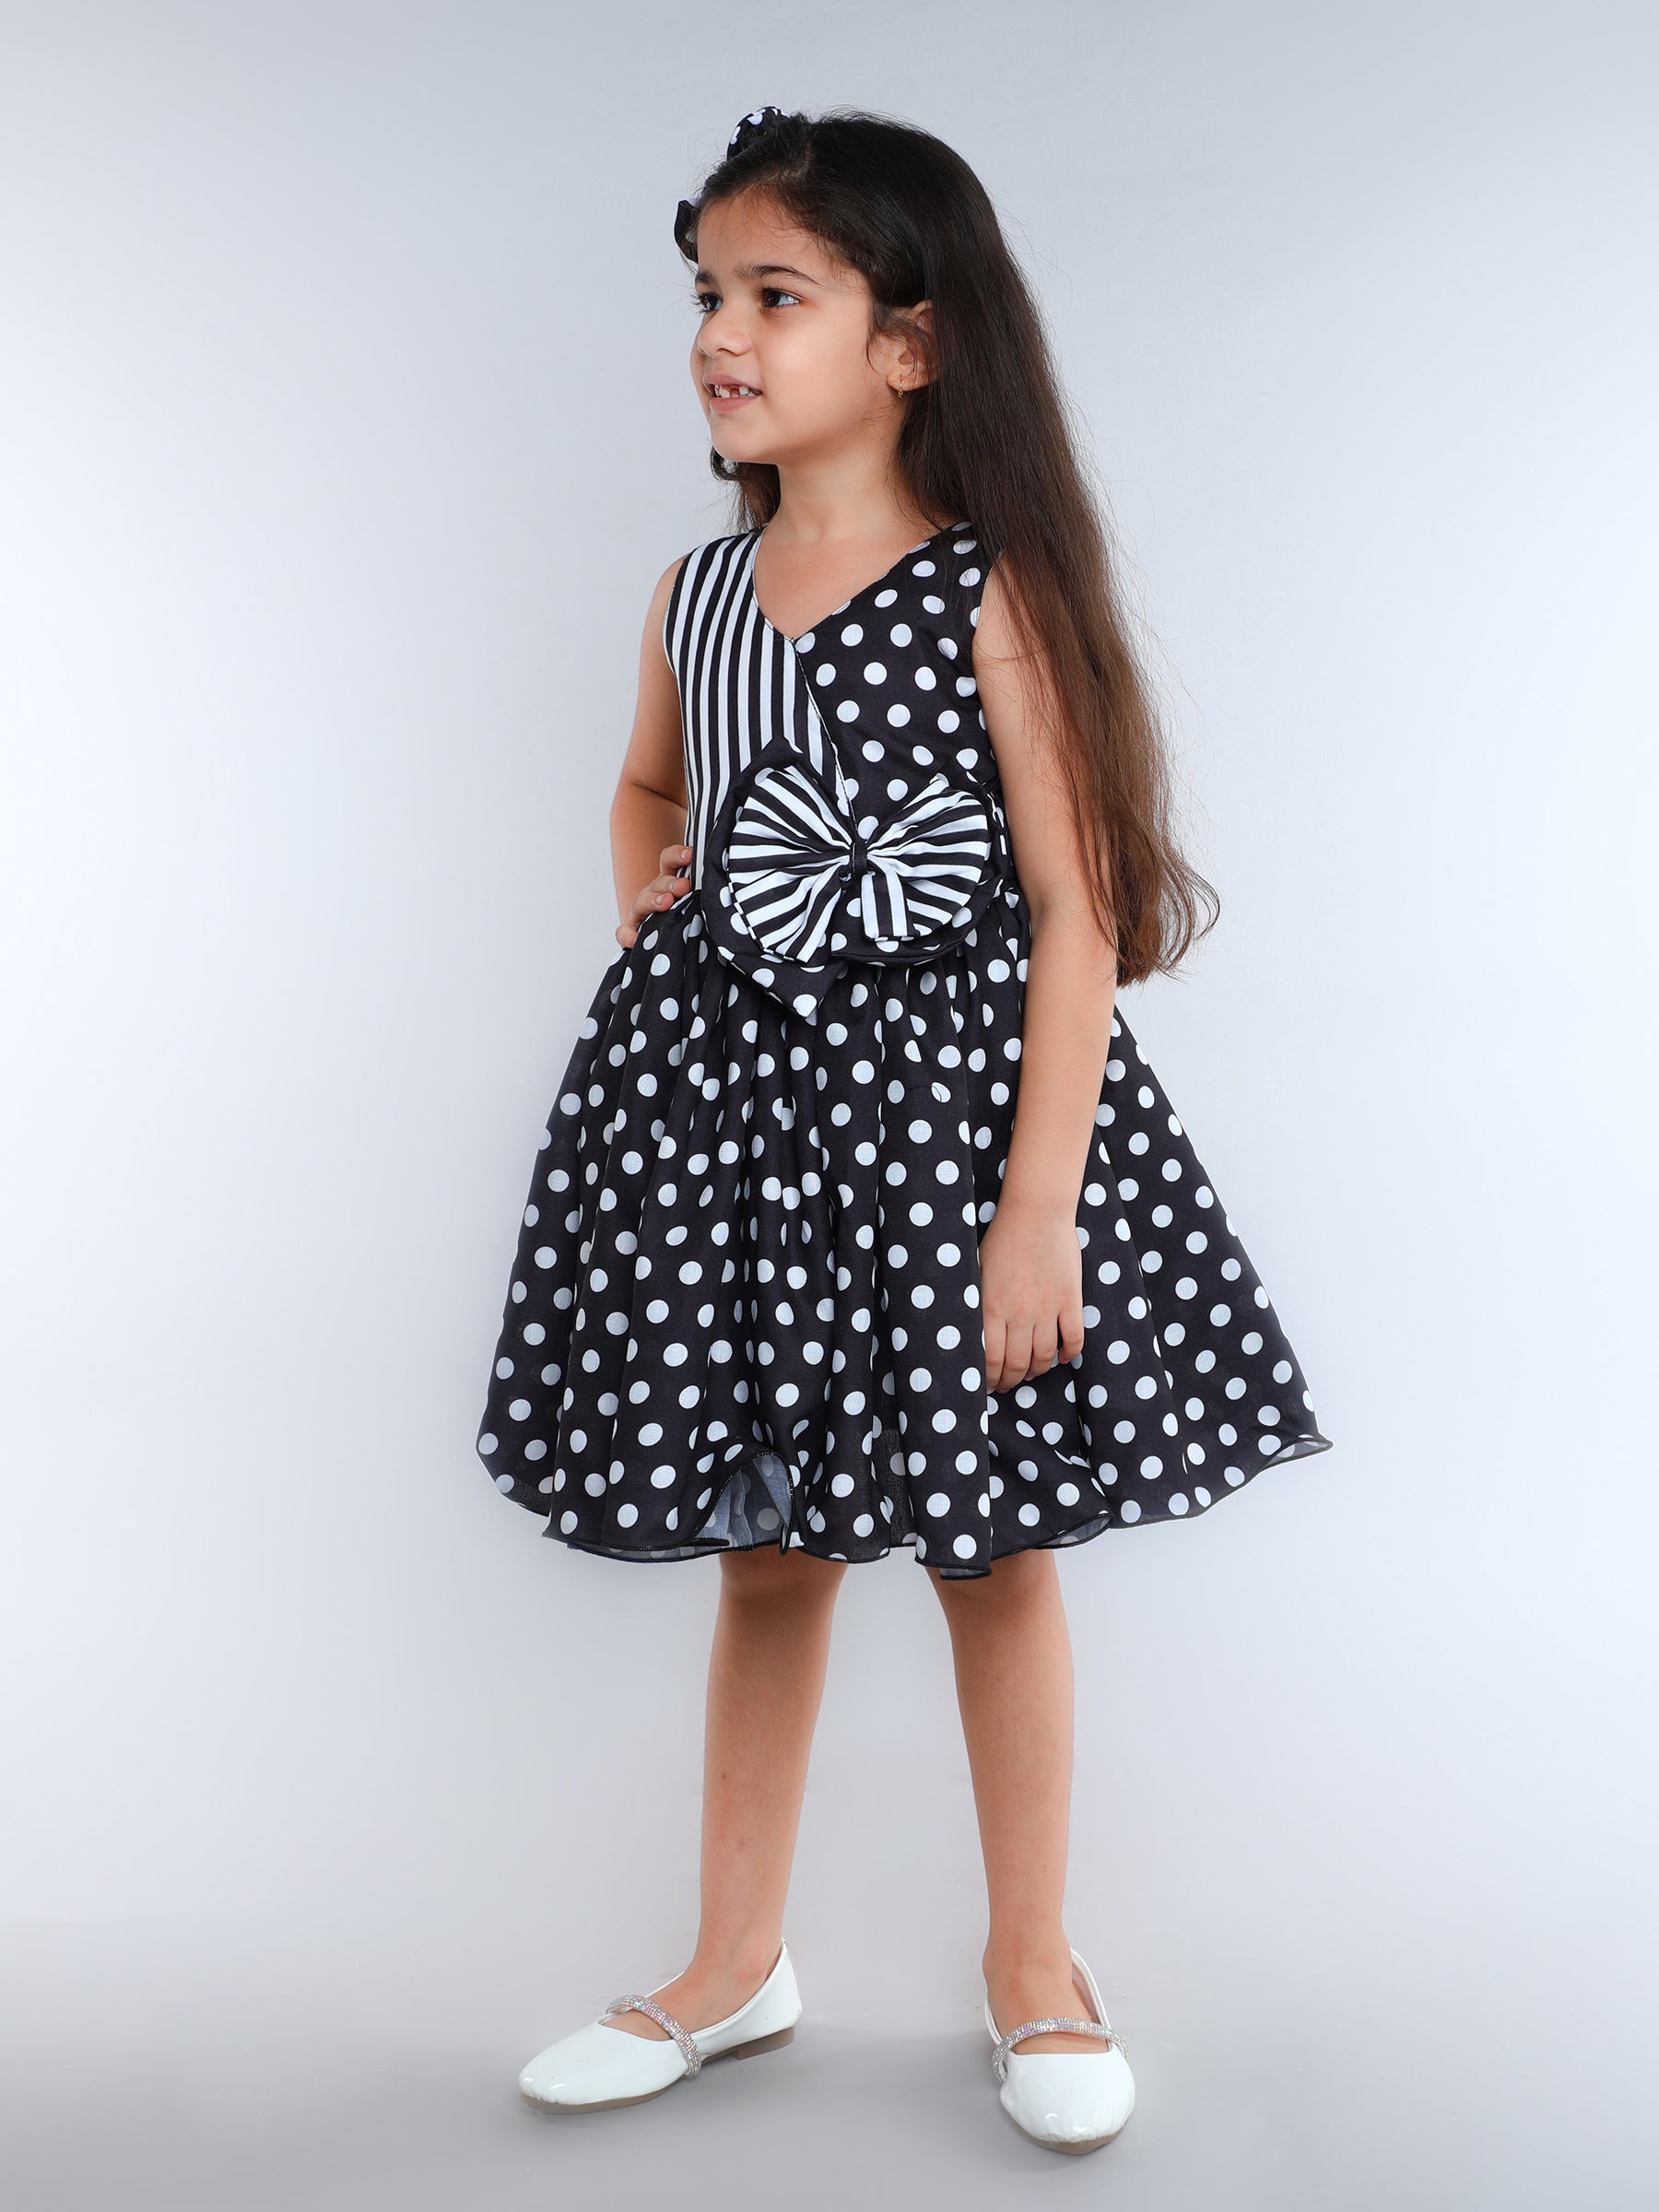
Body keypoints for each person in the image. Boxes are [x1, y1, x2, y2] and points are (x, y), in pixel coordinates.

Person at [477, 103, 1332, 2154]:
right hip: (726, 1136)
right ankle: (733, 1963)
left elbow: (1074, 914)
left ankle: (1037, 1964)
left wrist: (1038, 1212)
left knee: (991, 1550)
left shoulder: (983, 594)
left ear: (914, 340)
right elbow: (647, 788)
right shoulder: (698, 591)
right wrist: (652, 894)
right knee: (767, 1554)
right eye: (708, 293)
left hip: (944, 1140)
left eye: (776, 294)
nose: (722, 334)